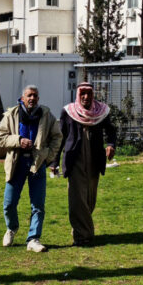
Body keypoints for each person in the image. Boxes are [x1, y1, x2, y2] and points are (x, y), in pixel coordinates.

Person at [0, 85, 62, 253]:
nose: (32, 98)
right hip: (17, 164)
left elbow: (57, 137)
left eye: (35, 96)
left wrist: (48, 156)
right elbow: (0, 137)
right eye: (29, 95)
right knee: (9, 204)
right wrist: (18, 141)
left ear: (38, 99)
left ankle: (33, 239)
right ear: (22, 98)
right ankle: (12, 228)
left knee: (38, 205)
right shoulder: (12, 114)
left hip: (37, 164)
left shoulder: (46, 115)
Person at [54, 81, 117, 247]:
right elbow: (61, 137)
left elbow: (111, 130)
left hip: (94, 160)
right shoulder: (68, 112)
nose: (86, 97)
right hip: (75, 160)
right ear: (78, 94)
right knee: (77, 199)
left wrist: (111, 145)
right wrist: (54, 161)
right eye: (83, 93)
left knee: (89, 199)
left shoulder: (101, 111)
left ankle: (80, 230)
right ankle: (84, 236)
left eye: (89, 93)